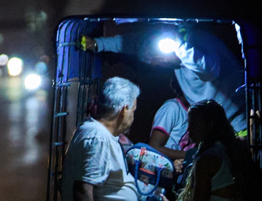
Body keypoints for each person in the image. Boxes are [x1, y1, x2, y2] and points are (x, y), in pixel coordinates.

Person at [82, 24, 246, 162]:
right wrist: (98, 43)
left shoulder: (195, 41)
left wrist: (178, 47)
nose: (162, 64)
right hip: (212, 128)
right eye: (157, 63)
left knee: (240, 164)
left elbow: (209, 70)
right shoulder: (174, 62)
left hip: (237, 119)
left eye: (160, 60)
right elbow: (133, 43)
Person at [125, 100, 254, 201]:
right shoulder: (226, 150)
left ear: (209, 125)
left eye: (194, 124)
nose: (189, 129)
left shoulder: (208, 159)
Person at [60, 77, 141, 201]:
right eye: (133, 110)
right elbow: (83, 187)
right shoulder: (97, 136)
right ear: (124, 110)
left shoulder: (103, 134)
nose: (133, 117)